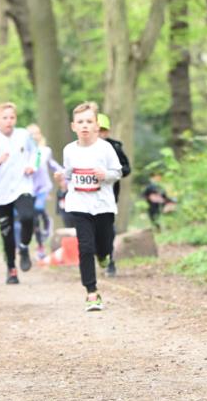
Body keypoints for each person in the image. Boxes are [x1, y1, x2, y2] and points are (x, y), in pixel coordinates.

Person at [62, 102, 122, 311]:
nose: (85, 126)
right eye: (80, 122)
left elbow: (118, 172)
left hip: (103, 205)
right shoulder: (69, 150)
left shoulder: (105, 148)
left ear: (97, 125)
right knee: (85, 247)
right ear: (73, 126)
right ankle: (91, 292)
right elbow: (69, 174)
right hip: (79, 204)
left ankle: (104, 255)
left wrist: (105, 175)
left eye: (89, 121)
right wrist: (62, 176)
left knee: (104, 243)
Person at [0, 101, 38, 284]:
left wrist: (32, 166)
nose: (9, 121)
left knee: (28, 217)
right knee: (6, 232)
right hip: (1, 190)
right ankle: (11, 269)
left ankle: (23, 247)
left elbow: (35, 152)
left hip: (23, 185)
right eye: (4, 118)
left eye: (12, 117)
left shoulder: (23, 135)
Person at [97, 112, 131, 277]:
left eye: (103, 130)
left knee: (108, 226)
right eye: (97, 130)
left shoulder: (115, 147)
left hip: (110, 194)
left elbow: (126, 168)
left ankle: (109, 259)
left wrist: (111, 174)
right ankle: (97, 255)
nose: (100, 134)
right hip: (87, 196)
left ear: (107, 131)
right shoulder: (80, 148)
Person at [26, 124, 64, 259]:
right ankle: (40, 246)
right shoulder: (23, 153)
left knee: (38, 208)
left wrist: (63, 172)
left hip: (43, 187)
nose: (34, 136)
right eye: (30, 134)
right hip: (29, 189)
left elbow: (52, 164)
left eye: (36, 133)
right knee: (33, 219)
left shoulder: (45, 150)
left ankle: (48, 222)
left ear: (40, 135)